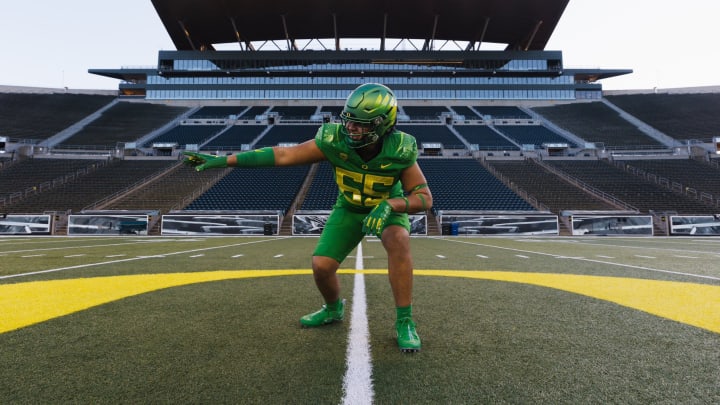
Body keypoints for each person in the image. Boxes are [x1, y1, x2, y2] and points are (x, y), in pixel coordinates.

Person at [183, 83, 433, 353]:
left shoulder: (401, 148)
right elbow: (283, 154)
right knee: (321, 267)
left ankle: (405, 321)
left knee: (399, 239)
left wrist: (390, 205)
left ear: (384, 124)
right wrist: (224, 161)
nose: (351, 129)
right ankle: (333, 308)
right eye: (349, 121)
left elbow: (424, 197)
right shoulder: (333, 139)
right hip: (349, 207)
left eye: (361, 125)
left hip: (385, 209)